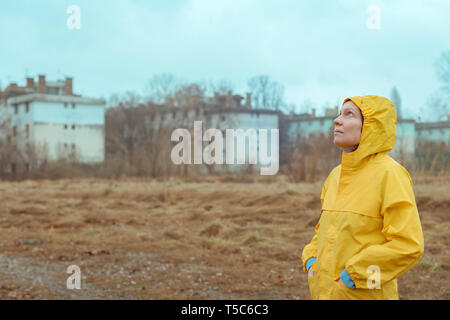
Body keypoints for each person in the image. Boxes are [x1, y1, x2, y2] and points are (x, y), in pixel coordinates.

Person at [301, 95, 424, 300]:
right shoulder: (335, 175)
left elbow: (408, 244)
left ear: (371, 127)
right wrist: (311, 259)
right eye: (340, 114)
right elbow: (324, 230)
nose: (337, 120)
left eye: (349, 114)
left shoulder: (390, 174)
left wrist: (354, 275)